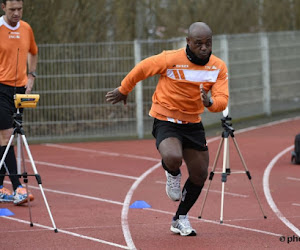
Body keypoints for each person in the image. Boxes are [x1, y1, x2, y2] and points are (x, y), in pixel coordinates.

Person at [106, 22, 228, 236]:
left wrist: (209, 103)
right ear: (188, 42)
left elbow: (222, 100)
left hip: (193, 123)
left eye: (208, 43)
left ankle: (180, 218)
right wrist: (124, 89)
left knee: (200, 174)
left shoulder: (218, 67)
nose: (204, 48)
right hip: (166, 117)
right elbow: (143, 68)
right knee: (173, 156)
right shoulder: (170, 59)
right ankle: (172, 173)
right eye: (198, 43)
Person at [0, 0, 38, 205]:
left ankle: (0, 187)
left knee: (6, 138)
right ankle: (18, 188)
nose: (16, 13)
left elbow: (33, 51)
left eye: (20, 9)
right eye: (12, 9)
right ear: (3, 7)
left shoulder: (26, 28)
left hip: (20, 90)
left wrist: (31, 76)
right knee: (7, 136)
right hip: (0, 88)